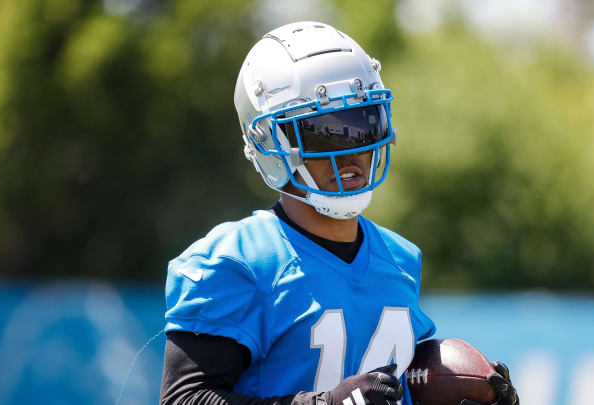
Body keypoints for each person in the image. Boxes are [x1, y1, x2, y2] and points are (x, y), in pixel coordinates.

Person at [160, 21, 519, 405]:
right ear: (270, 144)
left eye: (362, 126)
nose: (350, 154)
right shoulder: (238, 261)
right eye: (323, 132)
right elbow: (185, 399)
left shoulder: (399, 259)